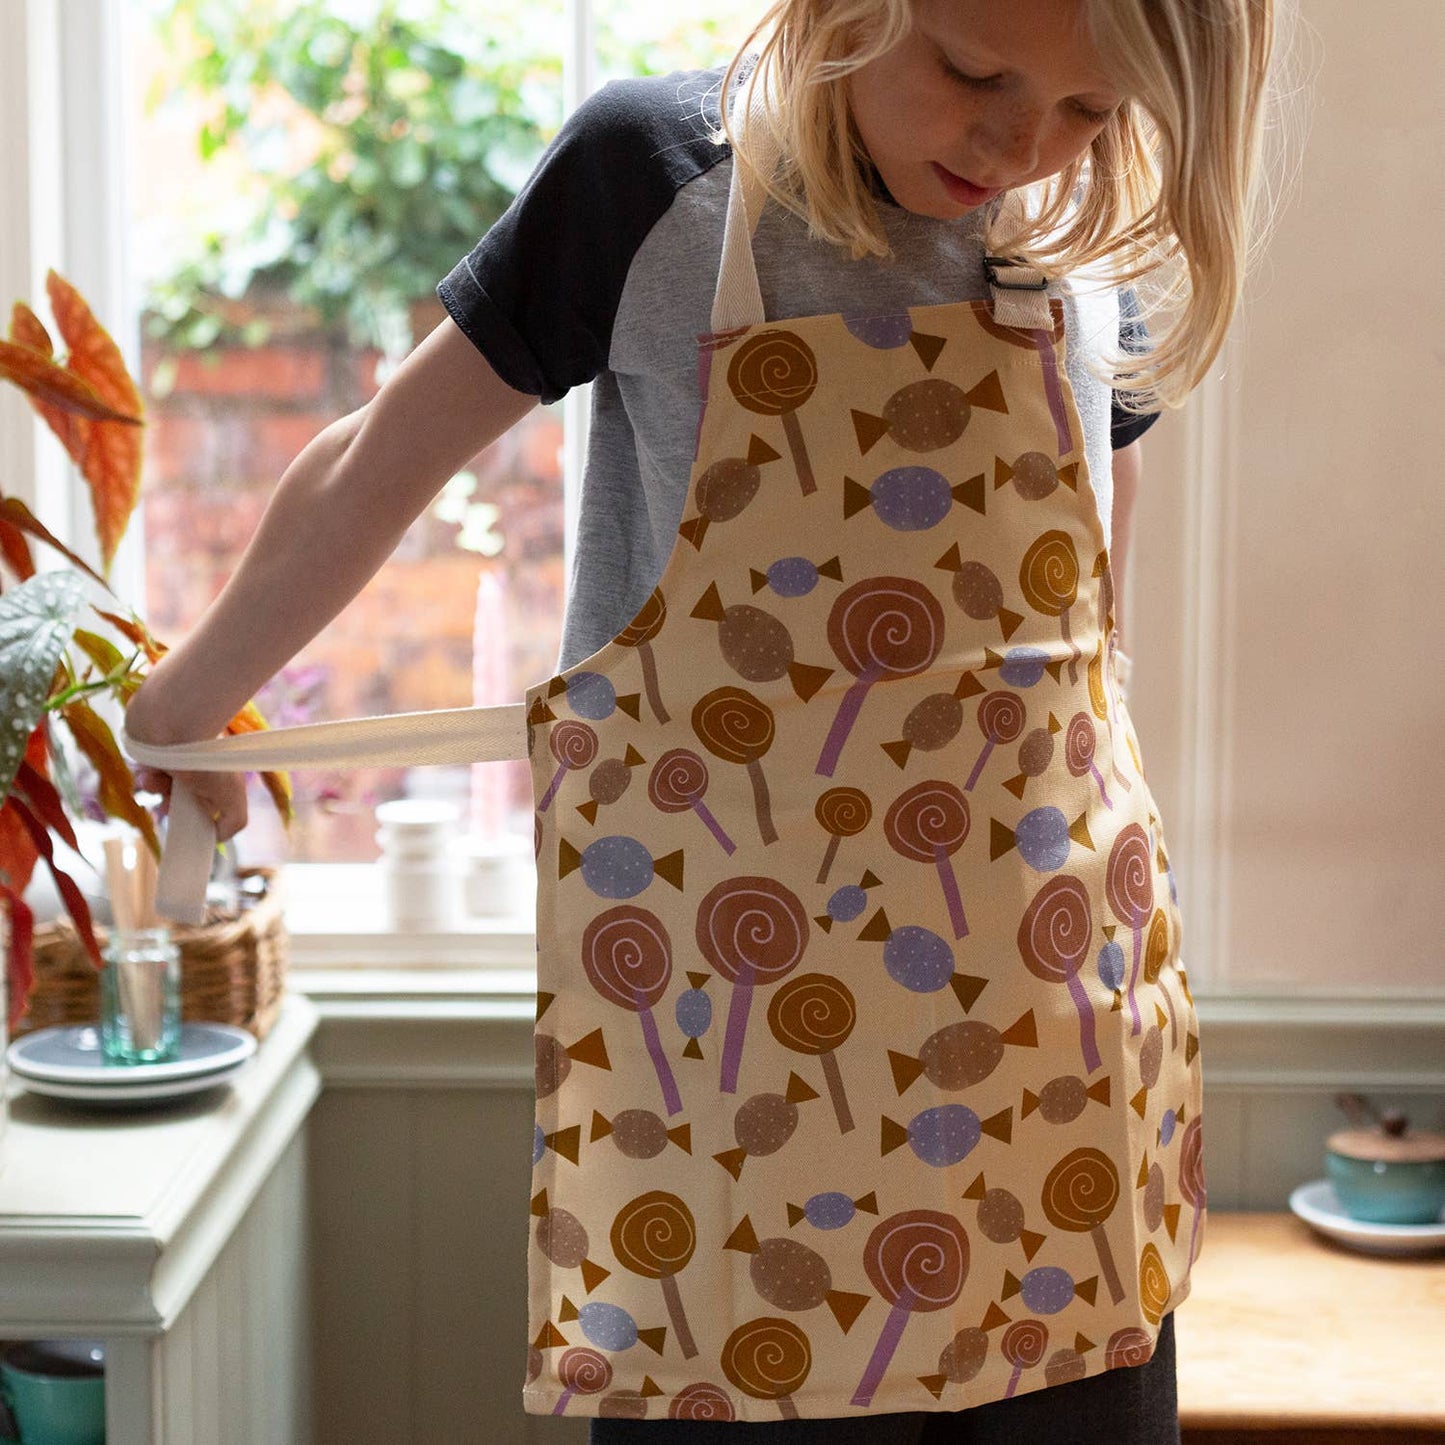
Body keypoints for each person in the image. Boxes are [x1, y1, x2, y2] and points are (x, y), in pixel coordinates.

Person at [124, 0, 1279, 1438]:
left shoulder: (1093, 237)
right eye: (972, 72)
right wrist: (178, 703)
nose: (1017, 143)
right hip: (743, 1107)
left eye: (1086, 111)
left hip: (1055, 1077)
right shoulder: (657, 187)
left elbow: (1082, 666)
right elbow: (372, 466)